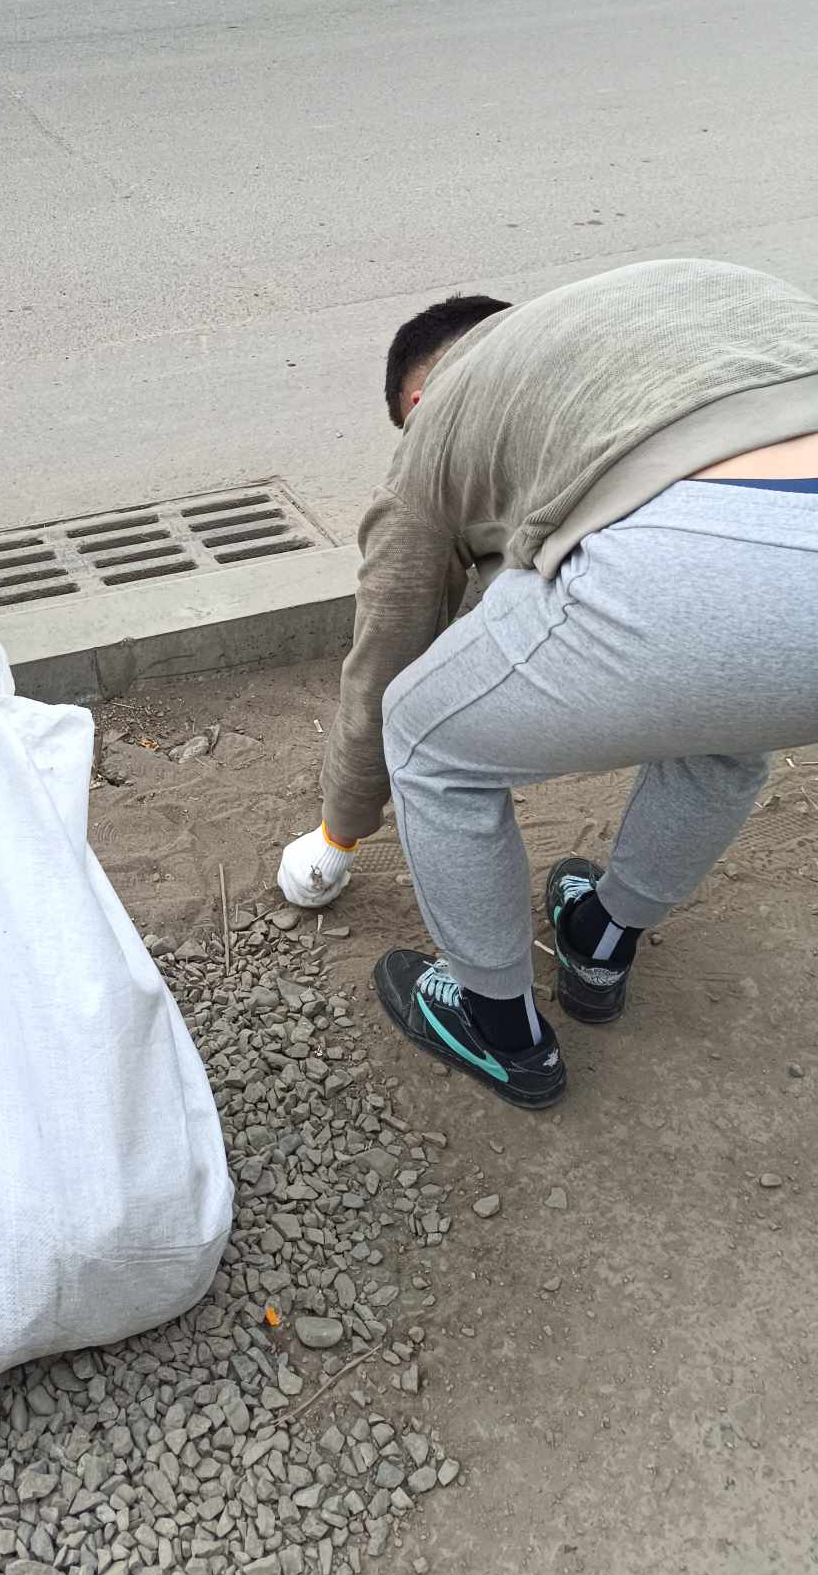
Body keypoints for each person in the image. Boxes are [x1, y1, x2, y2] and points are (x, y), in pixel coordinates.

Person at [276, 261, 818, 1109]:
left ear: (417, 399)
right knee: (726, 720)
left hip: (706, 559)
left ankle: (500, 1031)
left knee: (422, 733)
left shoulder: (443, 416)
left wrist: (340, 830)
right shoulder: (656, 311)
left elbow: (387, 648)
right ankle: (600, 941)